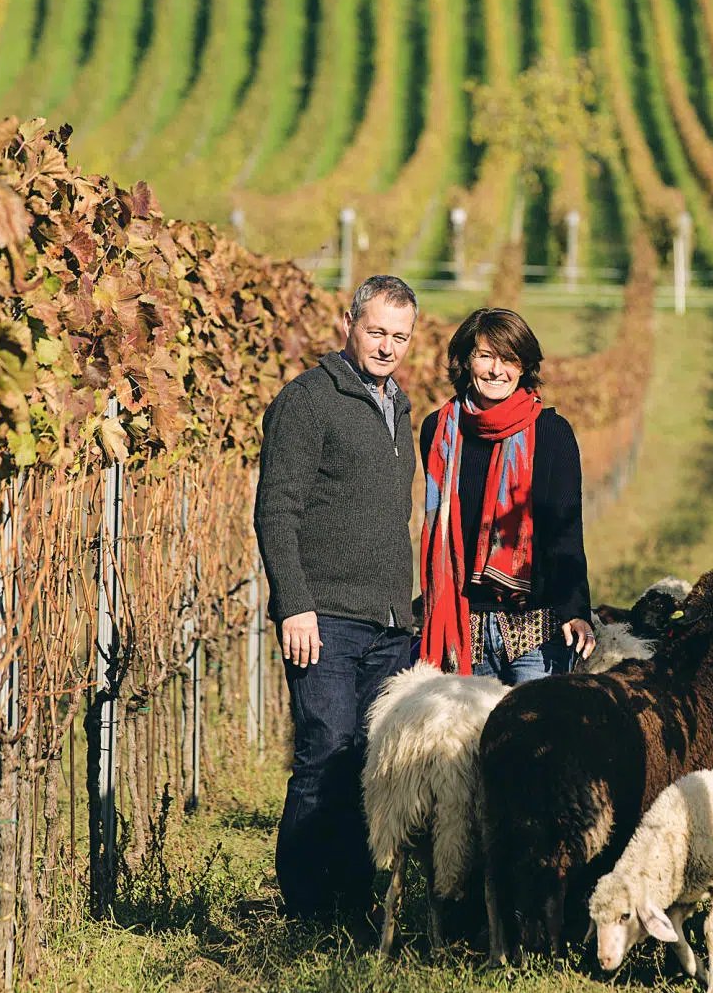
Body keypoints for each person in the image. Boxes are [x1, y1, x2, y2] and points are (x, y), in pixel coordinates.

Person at [254, 274, 420, 918]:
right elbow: (277, 511)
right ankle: (304, 903)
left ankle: (351, 899)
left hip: (389, 624)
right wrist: (294, 603)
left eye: (399, 337)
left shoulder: (397, 407)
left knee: (367, 760)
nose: (387, 347)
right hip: (323, 617)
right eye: (377, 331)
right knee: (324, 752)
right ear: (348, 323)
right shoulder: (308, 402)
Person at [418, 307, 595, 683]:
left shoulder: (551, 433)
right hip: (463, 634)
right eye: (485, 356)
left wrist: (575, 609)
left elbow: (566, 531)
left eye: (509, 359)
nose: (497, 371)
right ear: (466, 361)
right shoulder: (438, 431)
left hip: (537, 635)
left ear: (523, 367)